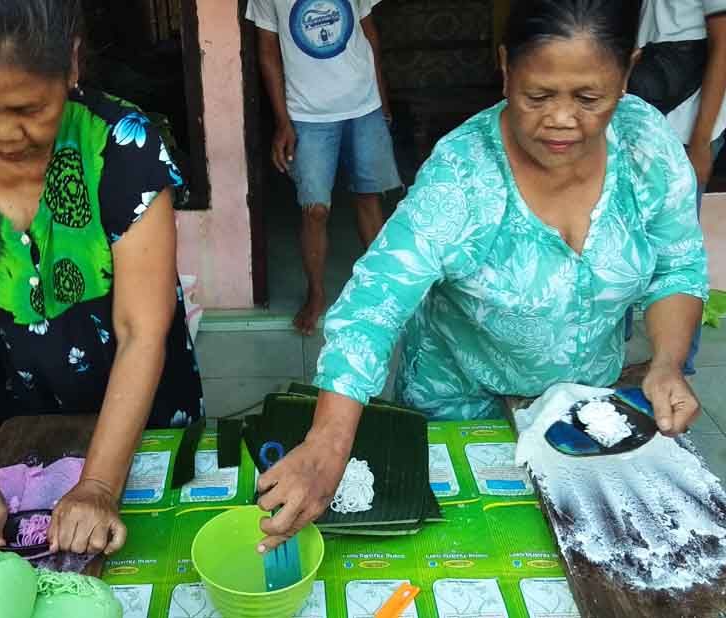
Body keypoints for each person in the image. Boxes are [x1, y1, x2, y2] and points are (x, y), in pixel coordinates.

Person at [254, 0, 709, 553]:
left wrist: (664, 362)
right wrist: (328, 442)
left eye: (590, 98)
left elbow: (677, 265)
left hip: (579, 403)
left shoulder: (647, 147)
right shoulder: (464, 175)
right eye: (536, 95)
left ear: (628, 71)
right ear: (505, 68)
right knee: (469, 550)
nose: (562, 119)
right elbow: (375, 304)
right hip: (462, 406)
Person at [0, 0, 203, 558]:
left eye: (30, 107)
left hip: (141, 411)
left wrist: (99, 485)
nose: (4, 133)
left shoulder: (121, 144)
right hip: (16, 413)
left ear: (71, 65)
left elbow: (140, 329)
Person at [246, 0, 402, 335]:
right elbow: (267, 53)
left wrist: (383, 99)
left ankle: (380, 291)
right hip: (306, 114)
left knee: (369, 198)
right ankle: (316, 294)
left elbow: (369, 34)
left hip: (364, 105)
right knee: (314, 209)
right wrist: (282, 122)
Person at [626, 0, 726, 374]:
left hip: (685, 127)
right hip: (655, 111)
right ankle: (617, 347)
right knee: (627, 229)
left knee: (677, 249)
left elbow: (723, 46)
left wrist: (700, 142)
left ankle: (676, 365)